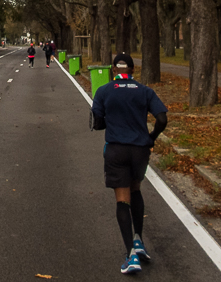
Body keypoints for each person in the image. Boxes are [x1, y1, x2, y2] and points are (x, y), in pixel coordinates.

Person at [90, 53, 168, 276]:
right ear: (133, 70)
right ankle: (139, 240)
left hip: (116, 149)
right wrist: (151, 137)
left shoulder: (104, 91)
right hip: (140, 150)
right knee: (136, 189)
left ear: (113, 70)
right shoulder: (145, 91)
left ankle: (130, 254)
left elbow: (97, 123)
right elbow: (162, 119)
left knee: (122, 198)